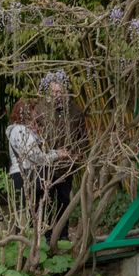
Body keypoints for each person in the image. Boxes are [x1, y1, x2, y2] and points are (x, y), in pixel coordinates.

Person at [6, 99, 68, 237]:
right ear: (27, 113)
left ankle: (31, 243)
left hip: (24, 174)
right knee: (31, 215)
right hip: (26, 174)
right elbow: (35, 156)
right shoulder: (21, 130)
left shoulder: (22, 130)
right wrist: (56, 154)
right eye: (33, 111)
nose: (36, 114)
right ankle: (33, 244)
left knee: (28, 214)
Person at [38, 77, 87, 242]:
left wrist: (78, 154)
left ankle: (63, 235)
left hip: (67, 166)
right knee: (47, 201)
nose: (56, 95)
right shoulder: (41, 109)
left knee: (64, 201)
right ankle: (47, 236)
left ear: (66, 91)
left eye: (59, 91)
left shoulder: (75, 111)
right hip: (46, 165)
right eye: (53, 91)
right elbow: (34, 136)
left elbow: (83, 137)